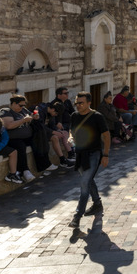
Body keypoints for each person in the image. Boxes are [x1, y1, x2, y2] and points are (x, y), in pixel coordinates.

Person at [67, 92, 110, 228]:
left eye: (81, 103)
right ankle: (97, 203)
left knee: (84, 183)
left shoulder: (97, 117)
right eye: (76, 103)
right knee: (88, 180)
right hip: (80, 154)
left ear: (89, 103)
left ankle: (77, 216)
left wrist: (106, 155)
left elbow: (107, 136)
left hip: (94, 154)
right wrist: (70, 137)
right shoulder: (74, 116)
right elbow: (71, 130)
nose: (78, 105)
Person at [0, 95, 38, 183]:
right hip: (12, 138)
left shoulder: (23, 110)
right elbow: (9, 125)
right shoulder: (5, 111)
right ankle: (24, 170)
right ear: (13, 104)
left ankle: (43, 165)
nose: (22, 107)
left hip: (26, 136)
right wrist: (23, 120)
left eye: (24, 105)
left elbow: (29, 116)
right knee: (20, 146)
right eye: (20, 105)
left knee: (39, 140)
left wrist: (34, 116)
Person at [40, 101, 75, 168]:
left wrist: (58, 130)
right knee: (55, 137)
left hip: (47, 131)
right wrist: (54, 132)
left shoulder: (51, 113)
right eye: (56, 113)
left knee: (64, 133)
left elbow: (52, 125)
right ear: (53, 109)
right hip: (40, 132)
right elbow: (40, 126)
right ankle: (62, 160)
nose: (55, 115)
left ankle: (71, 154)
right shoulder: (41, 111)